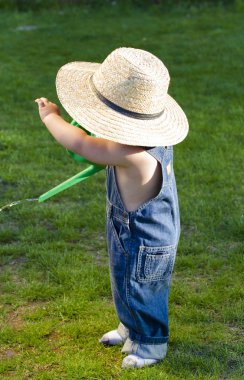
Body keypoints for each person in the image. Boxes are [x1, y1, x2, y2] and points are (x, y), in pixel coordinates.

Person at [35, 47, 189, 369]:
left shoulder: (130, 153)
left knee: (142, 289)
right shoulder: (151, 140)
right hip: (133, 231)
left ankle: (150, 345)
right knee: (124, 282)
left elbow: (80, 144)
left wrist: (51, 117)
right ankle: (130, 327)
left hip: (145, 240)